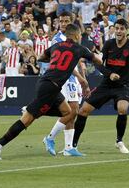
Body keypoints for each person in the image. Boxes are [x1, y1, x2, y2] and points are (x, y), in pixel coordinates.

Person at [0, 24, 102, 160]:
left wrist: (55, 59)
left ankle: (49, 135)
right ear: (77, 35)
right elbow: (98, 60)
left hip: (48, 84)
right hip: (50, 87)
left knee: (70, 112)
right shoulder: (79, 48)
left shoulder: (56, 46)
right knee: (27, 120)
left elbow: (41, 58)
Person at [73, 19, 129, 154]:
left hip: (122, 86)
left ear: (126, 31)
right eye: (116, 28)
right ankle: (73, 145)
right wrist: (110, 74)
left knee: (122, 109)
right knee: (83, 110)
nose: (118, 31)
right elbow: (99, 64)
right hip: (106, 84)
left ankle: (119, 141)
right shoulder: (109, 44)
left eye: (121, 29)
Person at [43, 12, 91, 157]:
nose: (63, 24)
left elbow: (76, 61)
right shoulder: (58, 39)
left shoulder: (73, 37)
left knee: (71, 114)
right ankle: (49, 138)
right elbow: (64, 63)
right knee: (73, 110)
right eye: (61, 21)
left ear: (71, 22)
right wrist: (80, 78)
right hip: (64, 78)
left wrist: (82, 77)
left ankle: (68, 147)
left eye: (66, 21)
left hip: (73, 78)